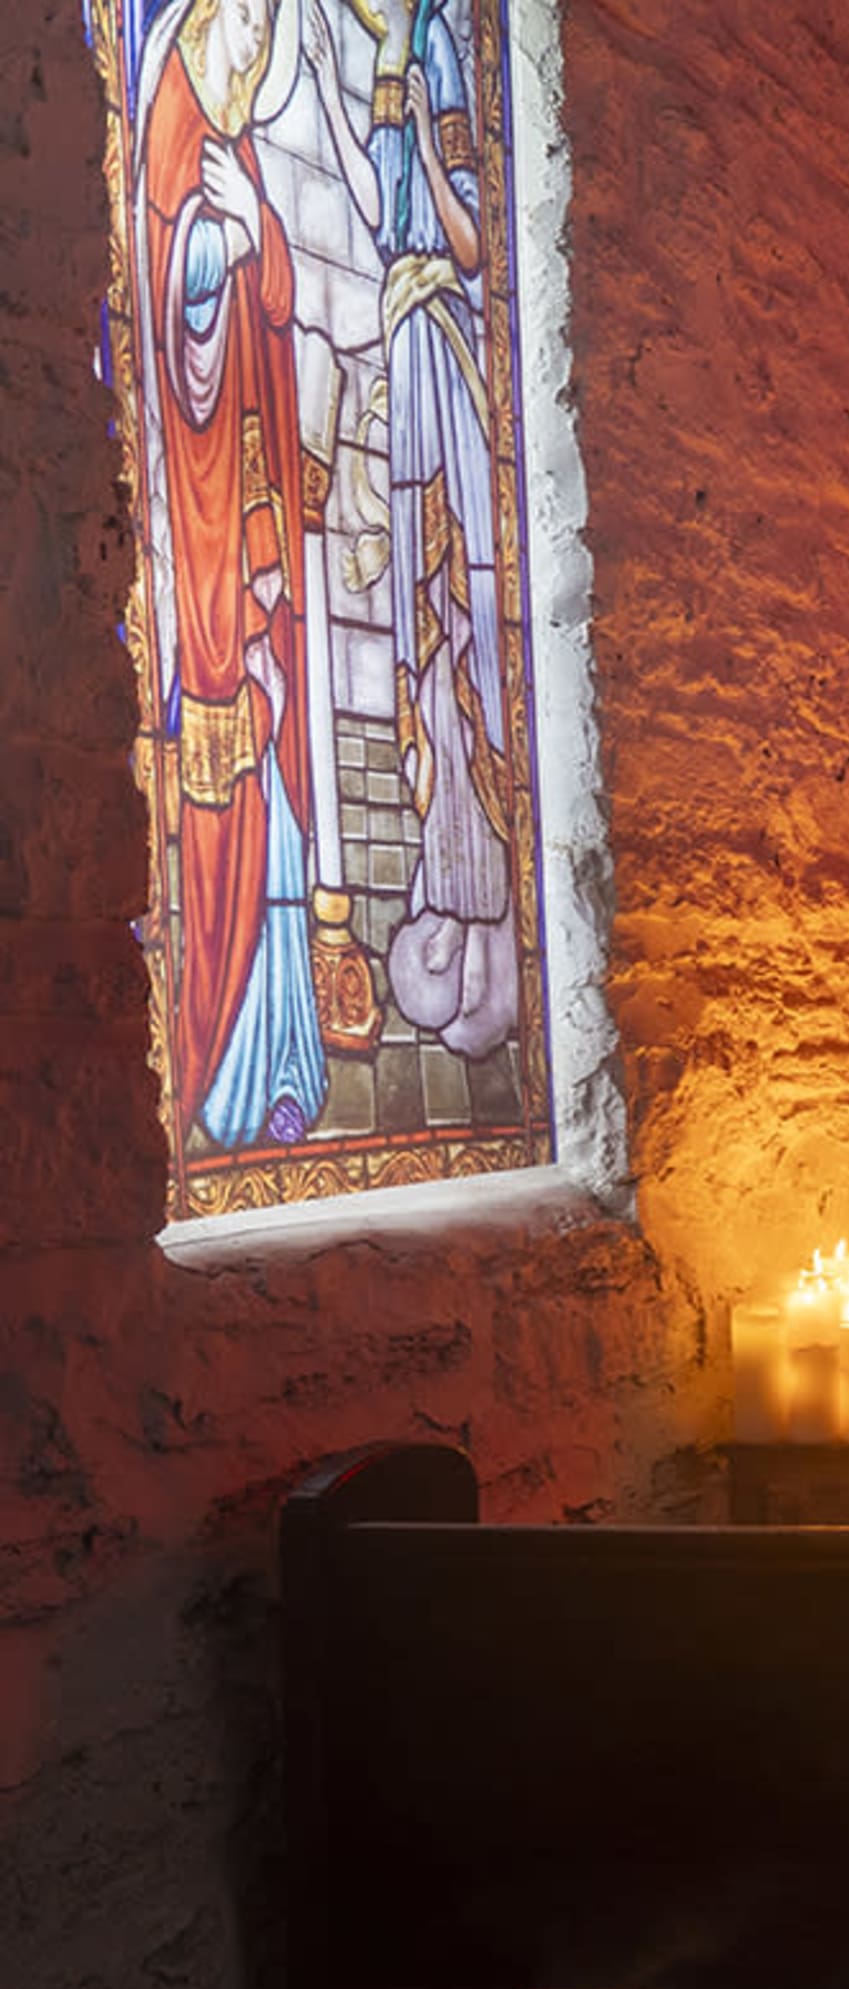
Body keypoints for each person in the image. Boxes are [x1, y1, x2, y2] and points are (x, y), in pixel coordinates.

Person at [302, 0, 520, 1060]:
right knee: (415, 630)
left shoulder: (435, 43)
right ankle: (447, 878)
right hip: (404, 338)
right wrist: (326, 81)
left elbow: (469, 244)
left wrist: (433, 136)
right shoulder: (390, 57)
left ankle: (484, 897)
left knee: (457, 614)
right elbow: (374, 207)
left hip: (442, 344)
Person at [138, 0, 329, 1150]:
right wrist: (218, 250)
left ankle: (290, 1049)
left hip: (253, 535)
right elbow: (173, 322)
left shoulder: (239, 151)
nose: (255, 46)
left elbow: (277, 307)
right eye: (243, 19)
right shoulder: (168, 124)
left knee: (277, 769)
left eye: (269, 28)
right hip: (204, 538)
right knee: (228, 764)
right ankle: (219, 1069)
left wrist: (259, 236)